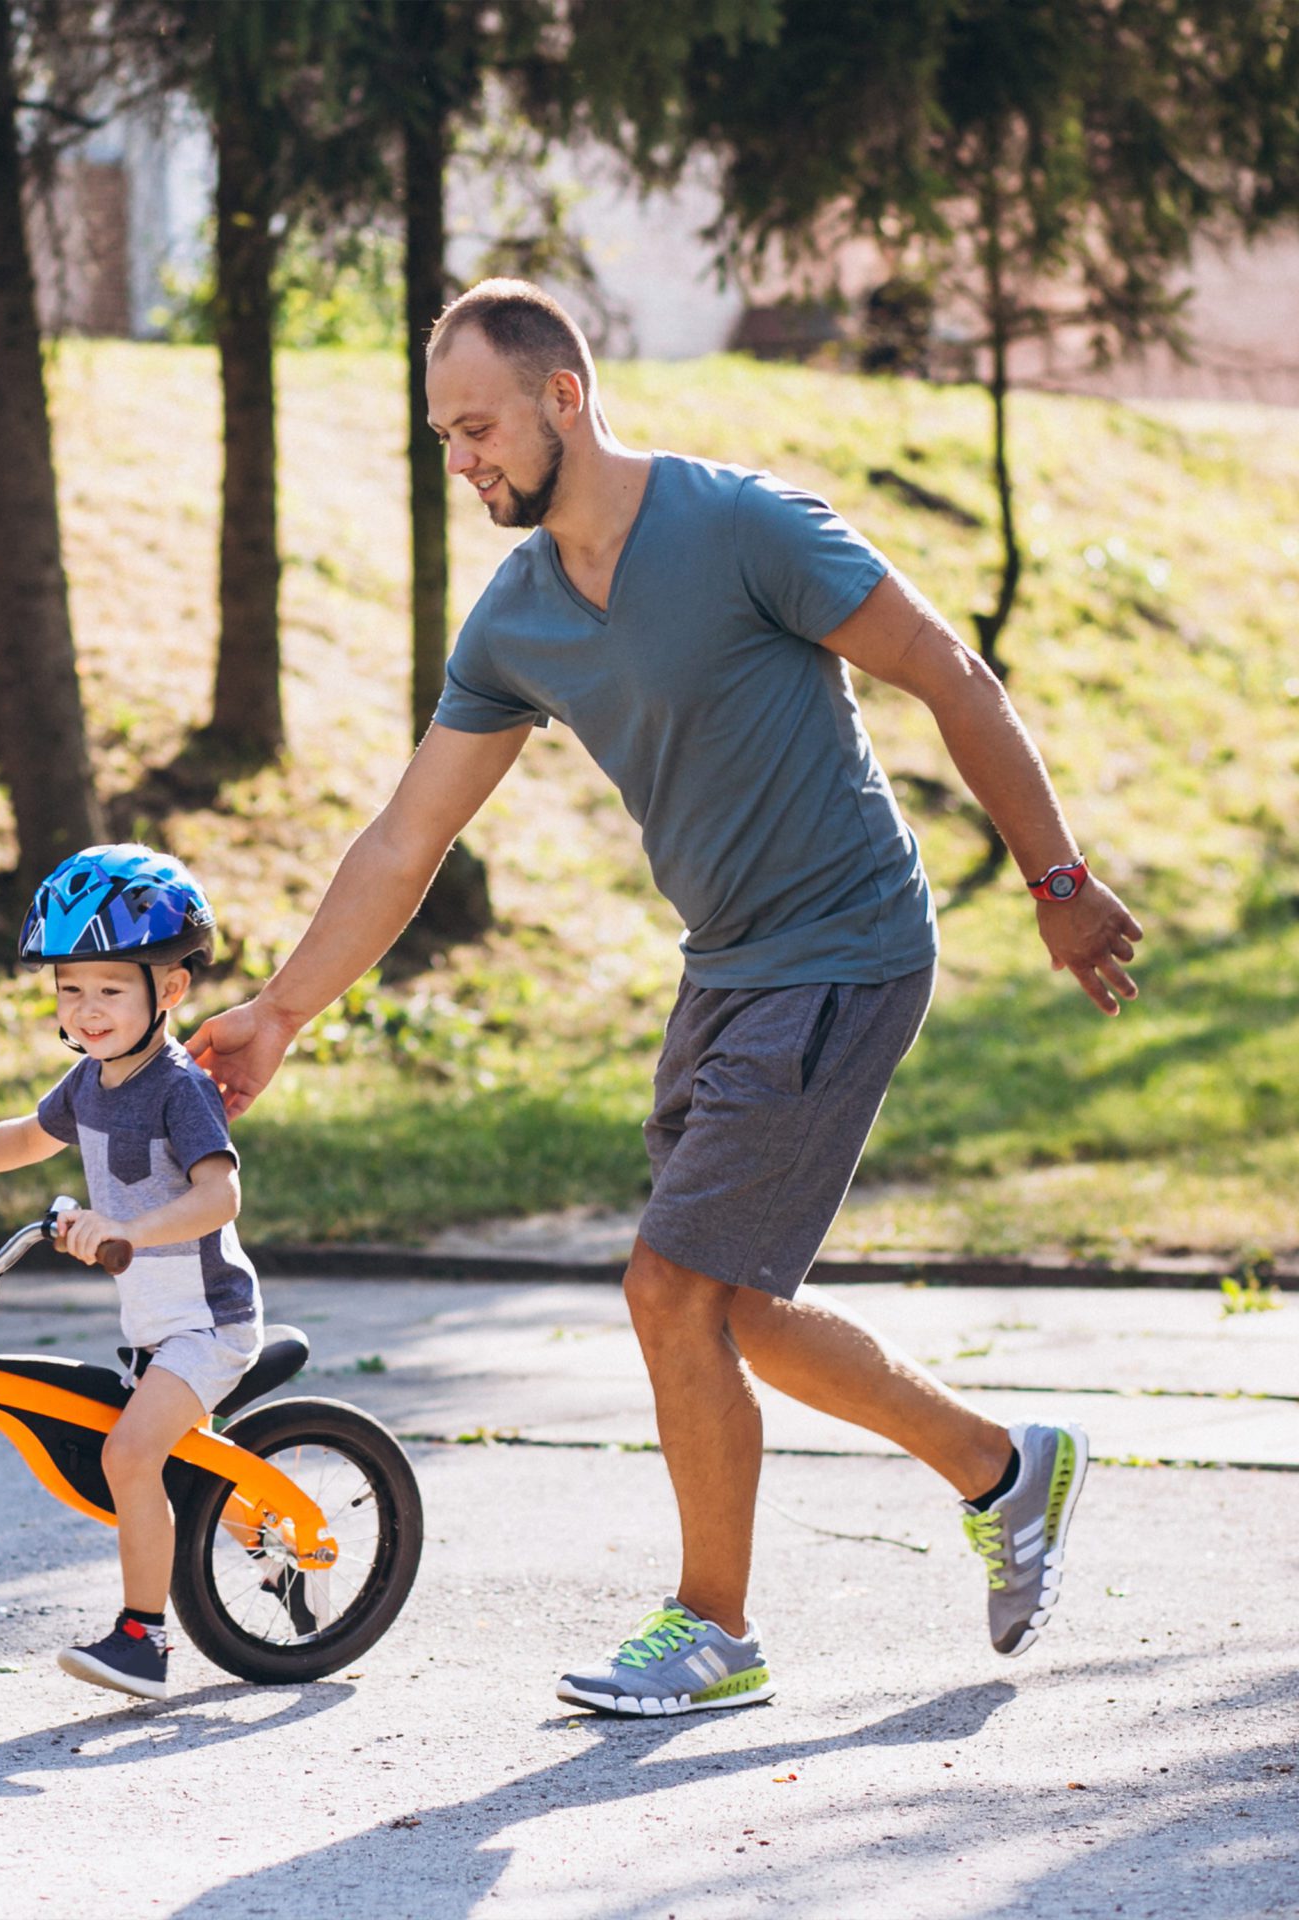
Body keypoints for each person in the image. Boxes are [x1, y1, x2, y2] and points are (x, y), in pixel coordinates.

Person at [191, 279, 1138, 1717]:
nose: (465, 461)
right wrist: (282, 1010)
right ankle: (1003, 1470)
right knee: (729, 1310)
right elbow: (408, 837)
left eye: (481, 428)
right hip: (730, 966)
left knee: (669, 1288)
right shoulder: (517, 618)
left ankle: (715, 1629)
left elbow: (947, 670)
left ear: (564, 397)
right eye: (445, 438)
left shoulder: (744, 527)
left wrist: (1058, 885)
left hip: (847, 944)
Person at [0, 844, 261, 1701]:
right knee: (146, 1457)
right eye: (69, 988)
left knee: (129, 1455)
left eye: (110, 989)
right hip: (152, 1325)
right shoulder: (91, 1081)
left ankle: (145, 1640)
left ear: (169, 989)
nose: (86, 1010)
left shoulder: (177, 1088)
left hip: (210, 1321)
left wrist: (127, 1226)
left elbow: (219, 1197)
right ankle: (237, 1533)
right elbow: (27, 1135)